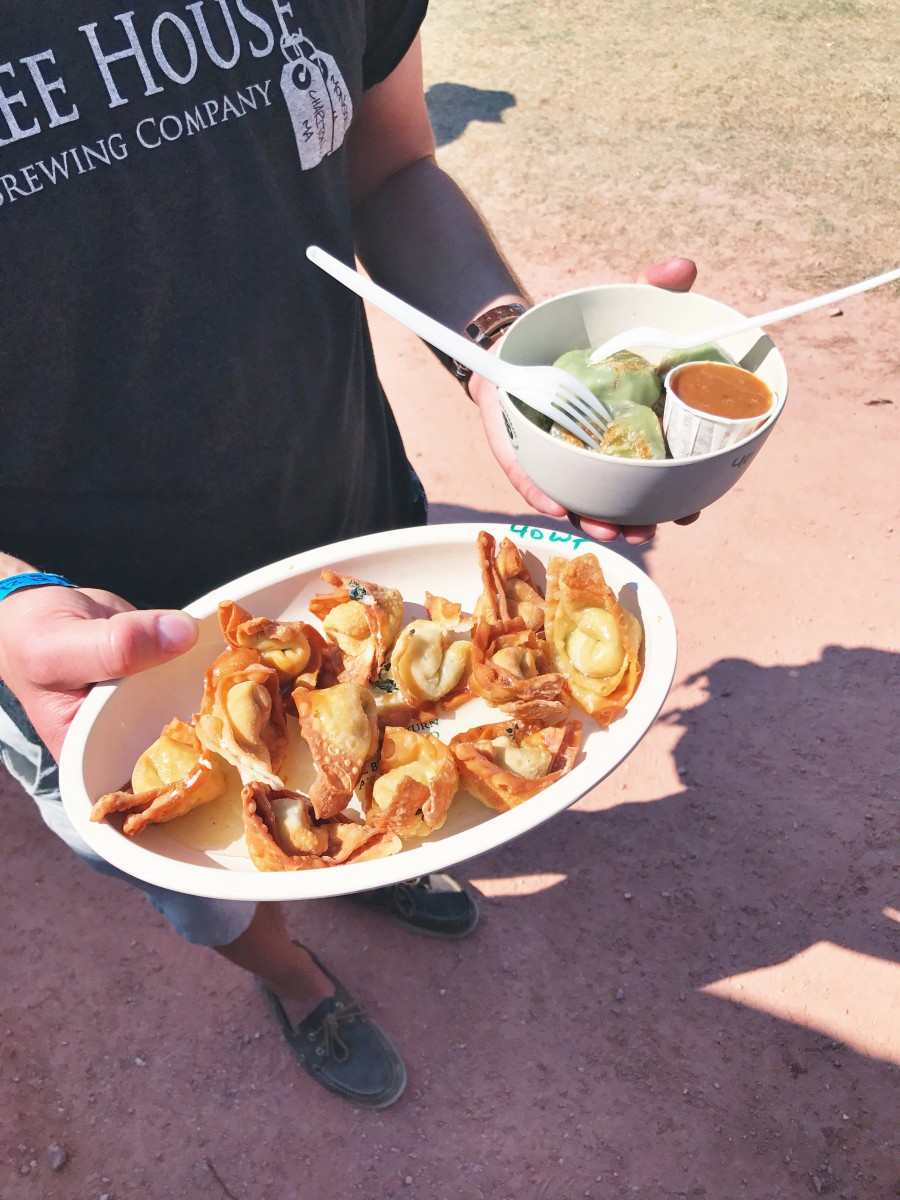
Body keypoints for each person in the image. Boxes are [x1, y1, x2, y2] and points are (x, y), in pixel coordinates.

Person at [0, 1, 697, 1109]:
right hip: (89, 653)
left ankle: (386, 857)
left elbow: (388, 162)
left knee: (391, 785)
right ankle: (290, 977)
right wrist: (8, 599)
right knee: (212, 896)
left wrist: (509, 355)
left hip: (355, 522)